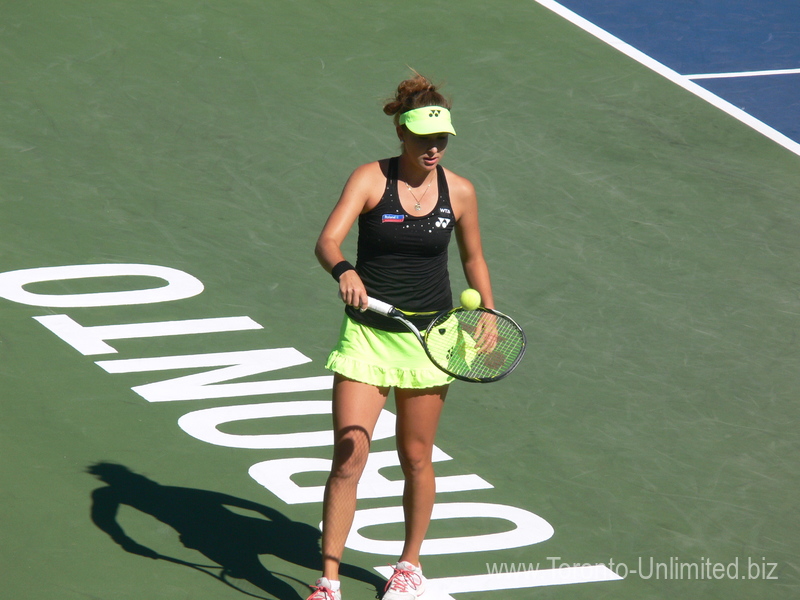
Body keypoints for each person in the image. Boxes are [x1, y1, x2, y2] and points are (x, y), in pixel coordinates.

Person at [309, 72, 495, 600]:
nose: (433, 149)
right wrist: (344, 269)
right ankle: (329, 581)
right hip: (368, 336)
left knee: (416, 456)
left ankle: (409, 566)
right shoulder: (370, 179)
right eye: (423, 139)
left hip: (431, 340)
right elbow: (327, 239)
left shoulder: (460, 192)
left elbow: (473, 258)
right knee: (349, 453)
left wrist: (487, 313)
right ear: (401, 134)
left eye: (441, 140)